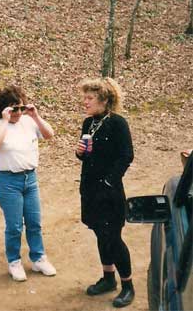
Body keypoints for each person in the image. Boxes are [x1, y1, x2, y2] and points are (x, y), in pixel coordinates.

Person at [0, 85, 56, 282]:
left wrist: (35, 116)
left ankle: (39, 258)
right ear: (3, 109)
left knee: (34, 222)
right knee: (15, 226)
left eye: (20, 108)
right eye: (12, 109)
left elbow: (49, 134)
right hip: (8, 181)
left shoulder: (28, 122)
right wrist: (5, 121)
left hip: (30, 178)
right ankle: (14, 261)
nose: (17, 112)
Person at [76, 77, 135, 308]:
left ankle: (128, 285)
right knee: (100, 234)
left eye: (89, 98)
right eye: (85, 97)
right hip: (90, 191)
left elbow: (126, 155)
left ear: (104, 100)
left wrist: (109, 181)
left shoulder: (118, 123)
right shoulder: (88, 123)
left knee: (113, 238)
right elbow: (87, 156)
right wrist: (79, 152)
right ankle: (108, 278)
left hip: (109, 193)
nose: (85, 102)